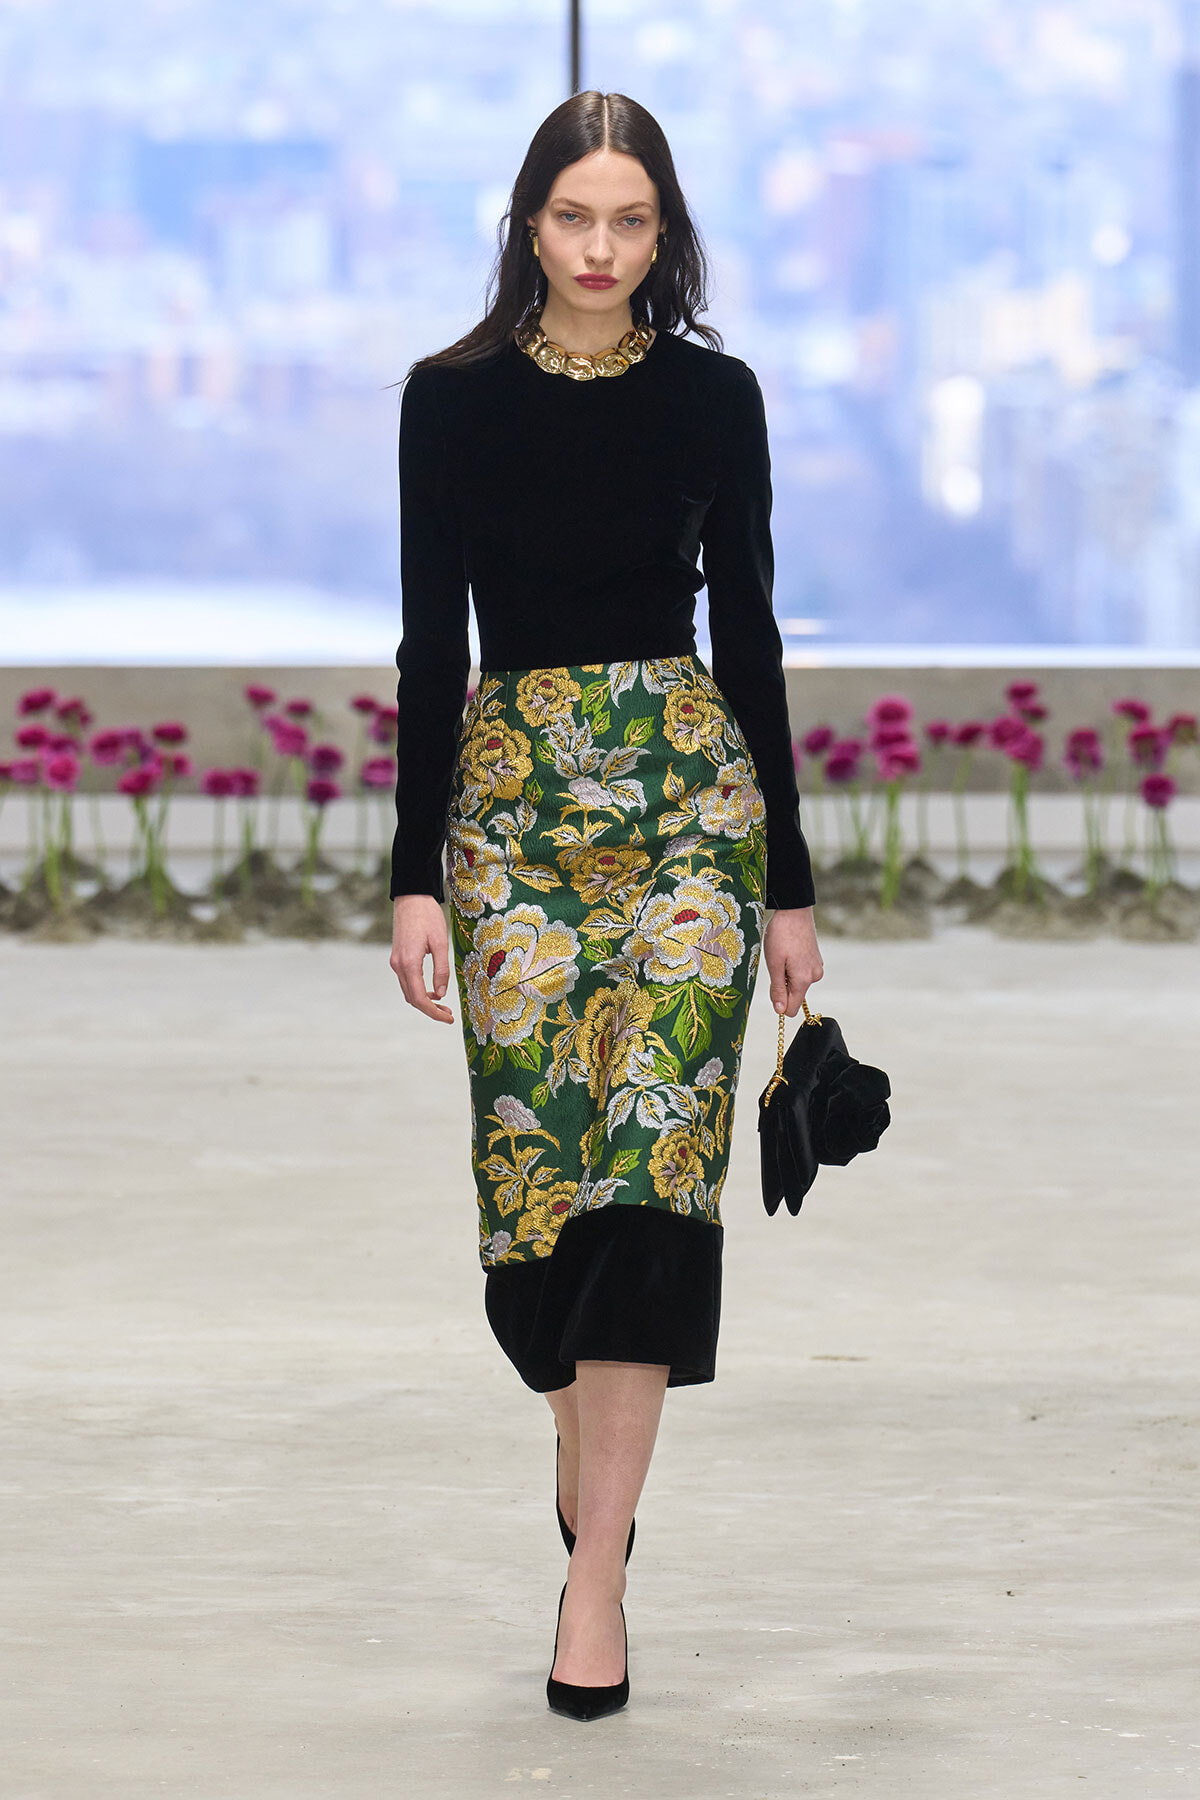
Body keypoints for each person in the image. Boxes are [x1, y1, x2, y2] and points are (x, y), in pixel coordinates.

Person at [388, 90, 823, 1721]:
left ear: (665, 234)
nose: (599, 249)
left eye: (630, 221)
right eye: (574, 219)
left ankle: (597, 1570)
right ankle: (583, 1447)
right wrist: (411, 873)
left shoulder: (717, 397)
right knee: (539, 1191)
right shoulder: (453, 403)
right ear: (528, 226)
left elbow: (759, 638)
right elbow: (435, 641)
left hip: (687, 806)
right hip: (511, 812)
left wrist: (783, 881)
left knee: (650, 1168)